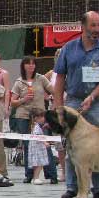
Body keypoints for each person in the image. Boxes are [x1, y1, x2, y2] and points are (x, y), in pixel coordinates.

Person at [54, 11, 99, 198]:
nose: (97, 29)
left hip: (97, 103)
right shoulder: (68, 49)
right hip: (72, 101)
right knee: (72, 147)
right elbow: (60, 78)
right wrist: (59, 107)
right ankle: (72, 188)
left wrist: (92, 97)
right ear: (83, 26)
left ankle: (98, 189)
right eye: (93, 25)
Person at [11, 56, 57, 184]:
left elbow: (54, 91)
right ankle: (29, 174)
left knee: (45, 144)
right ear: (23, 66)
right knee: (27, 146)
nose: (31, 66)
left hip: (40, 116)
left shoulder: (41, 78)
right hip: (23, 116)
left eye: (33, 64)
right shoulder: (19, 82)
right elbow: (13, 102)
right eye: (28, 64)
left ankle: (51, 174)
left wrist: (53, 104)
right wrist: (23, 99)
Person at [44, 48, 66, 182]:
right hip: (56, 110)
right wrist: (48, 97)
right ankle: (63, 171)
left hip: (70, 109)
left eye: (61, 55)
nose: (59, 58)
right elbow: (40, 85)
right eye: (57, 55)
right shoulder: (51, 73)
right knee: (60, 144)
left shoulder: (71, 71)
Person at [28, 108, 50, 185]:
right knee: (39, 164)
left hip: (34, 147)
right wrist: (45, 143)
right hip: (38, 148)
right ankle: (36, 178)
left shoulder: (34, 126)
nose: (44, 119)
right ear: (37, 118)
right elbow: (38, 136)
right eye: (42, 117)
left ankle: (34, 177)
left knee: (36, 164)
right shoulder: (37, 127)